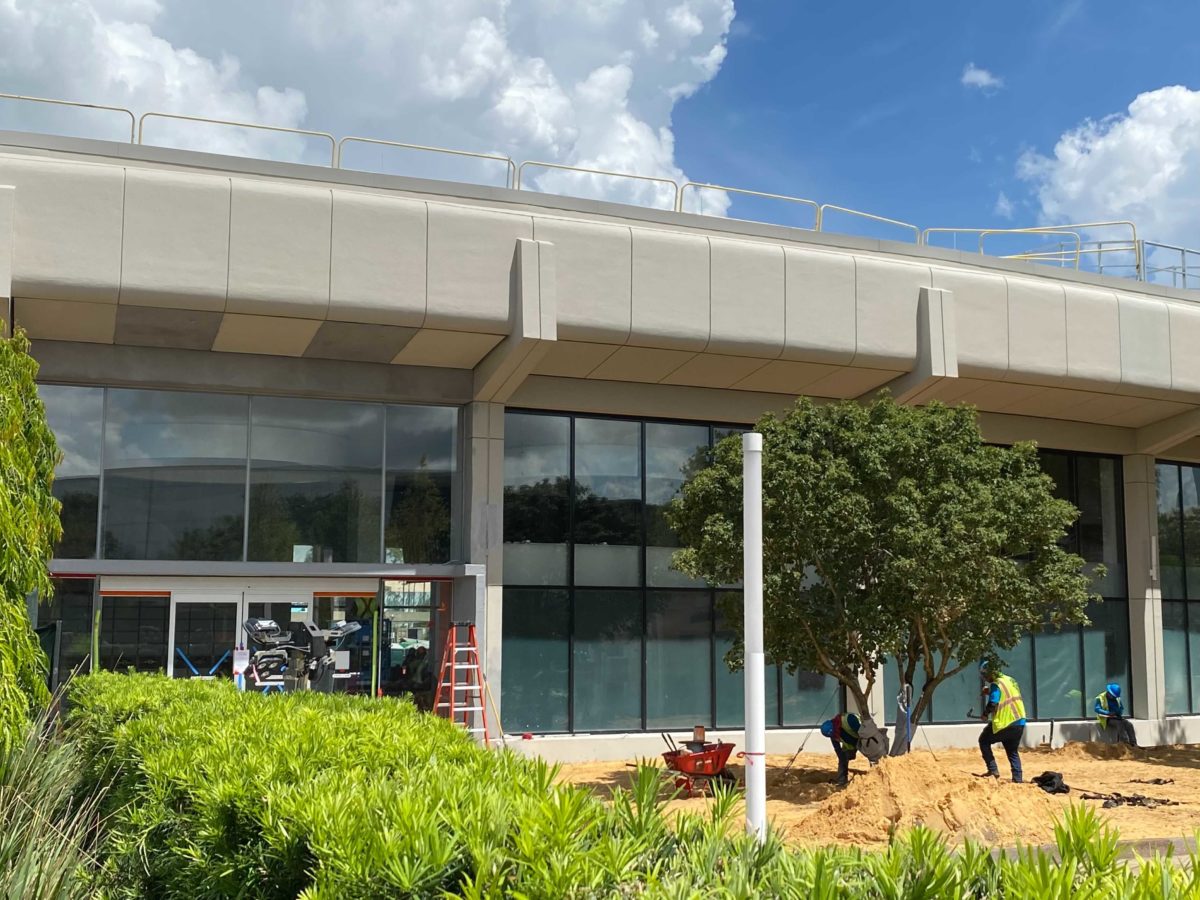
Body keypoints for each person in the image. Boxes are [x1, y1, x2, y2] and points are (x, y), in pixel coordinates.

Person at [977, 660, 1026, 783]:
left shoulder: (996, 684)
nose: (985, 678)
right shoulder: (1010, 680)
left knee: (984, 740)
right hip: (1019, 721)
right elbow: (1007, 694)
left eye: (985, 675)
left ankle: (993, 770)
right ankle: (1018, 779)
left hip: (1005, 722)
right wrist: (989, 692)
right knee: (1012, 751)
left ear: (990, 673)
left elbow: (993, 702)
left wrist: (985, 714)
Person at [820, 712, 861, 786]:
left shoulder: (849, 720)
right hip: (850, 745)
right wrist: (843, 758)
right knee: (843, 759)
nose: (835, 735)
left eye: (835, 732)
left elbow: (862, 732)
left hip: (862, 739)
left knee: (871, 753)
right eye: (833, 735)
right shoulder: (833, 735)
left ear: (835, 725)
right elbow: (837, 749)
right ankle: (842, 781)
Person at [1095, 682, 1138, 747]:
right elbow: (1097, 709)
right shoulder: (1100, 697)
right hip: (1107, 718)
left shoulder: (1117, 698)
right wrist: (1108, 713)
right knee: (1119, 724)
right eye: (1113, 696)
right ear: (1109, 692)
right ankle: (1125, 744)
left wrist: (1118, 712)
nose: (1113, 697)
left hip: (1117, 717)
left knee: (1129, 724)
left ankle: (1133, 743)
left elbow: (1121, 708)